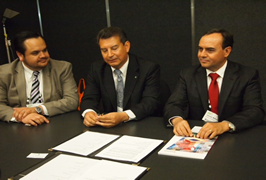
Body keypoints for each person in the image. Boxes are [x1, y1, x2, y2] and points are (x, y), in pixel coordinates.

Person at [164, 29, 264, 139]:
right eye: (200, 49)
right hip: (199, 135)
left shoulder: (246, 75)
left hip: (232, 137)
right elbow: (173, 104)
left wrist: (224, 125)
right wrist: (177, 120)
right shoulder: (188, 74)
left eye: (210, 50)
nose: (202, 54)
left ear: (227, 51)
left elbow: (255, 110)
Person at [80, 27, 160, 128]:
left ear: (126, 46)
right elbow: (89, 99)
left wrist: (123, 116)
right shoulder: (97, 69)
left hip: (140, 126)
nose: (109, 55)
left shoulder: (148, 68)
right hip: (109, 128)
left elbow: (150, 103)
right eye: (104, 50)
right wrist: (89, 113)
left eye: (114, 48)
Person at [0, 30, 79, 126]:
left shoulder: (62, 68)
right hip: (18, 126)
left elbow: (72, 101)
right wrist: (22, 117)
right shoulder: (4, 73)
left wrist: (37, 109)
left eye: (45, 50)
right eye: (35, 53)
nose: (43, 55)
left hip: (54, 122)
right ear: (20, 55)